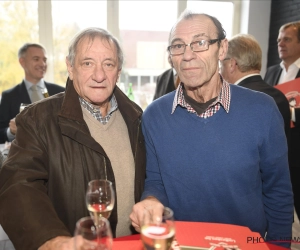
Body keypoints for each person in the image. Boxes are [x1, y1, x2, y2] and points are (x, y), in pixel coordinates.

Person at [130, 10, 293, 248]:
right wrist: (151, 200)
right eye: (178, 46)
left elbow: (278, 192)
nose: (188, 55)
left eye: (200, 43)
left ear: (223, 49)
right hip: (180, 244)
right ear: (170, 57)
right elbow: (156, 180)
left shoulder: (263, 110)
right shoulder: (155, 115)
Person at [0, 28, 146, 250]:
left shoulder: (137, 118)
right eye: (87, 63)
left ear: (119, 70)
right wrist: (52, 241)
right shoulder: (38, 119)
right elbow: (18, 185)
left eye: (108, 64)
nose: (99, 75)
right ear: (70, 67)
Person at [220, 34, 291, 144]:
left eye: (221, 64)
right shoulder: (280, 96)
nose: (220, 71)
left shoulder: (232, 99)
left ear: (232, 64)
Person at [264, 21, 300, 221]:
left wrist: (291, 113)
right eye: (279, 40)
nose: (281, 44)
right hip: (274, 151)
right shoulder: (271, 72)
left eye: (287, 39)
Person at [0, 43, 65, 144]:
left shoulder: (61, 92)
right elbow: (1, 133)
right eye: (36, 59)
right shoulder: (9, 96)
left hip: (58, 155)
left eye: (44, 60)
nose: (43, 64)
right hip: (25, 157)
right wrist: (11, 131)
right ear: (22, 62)